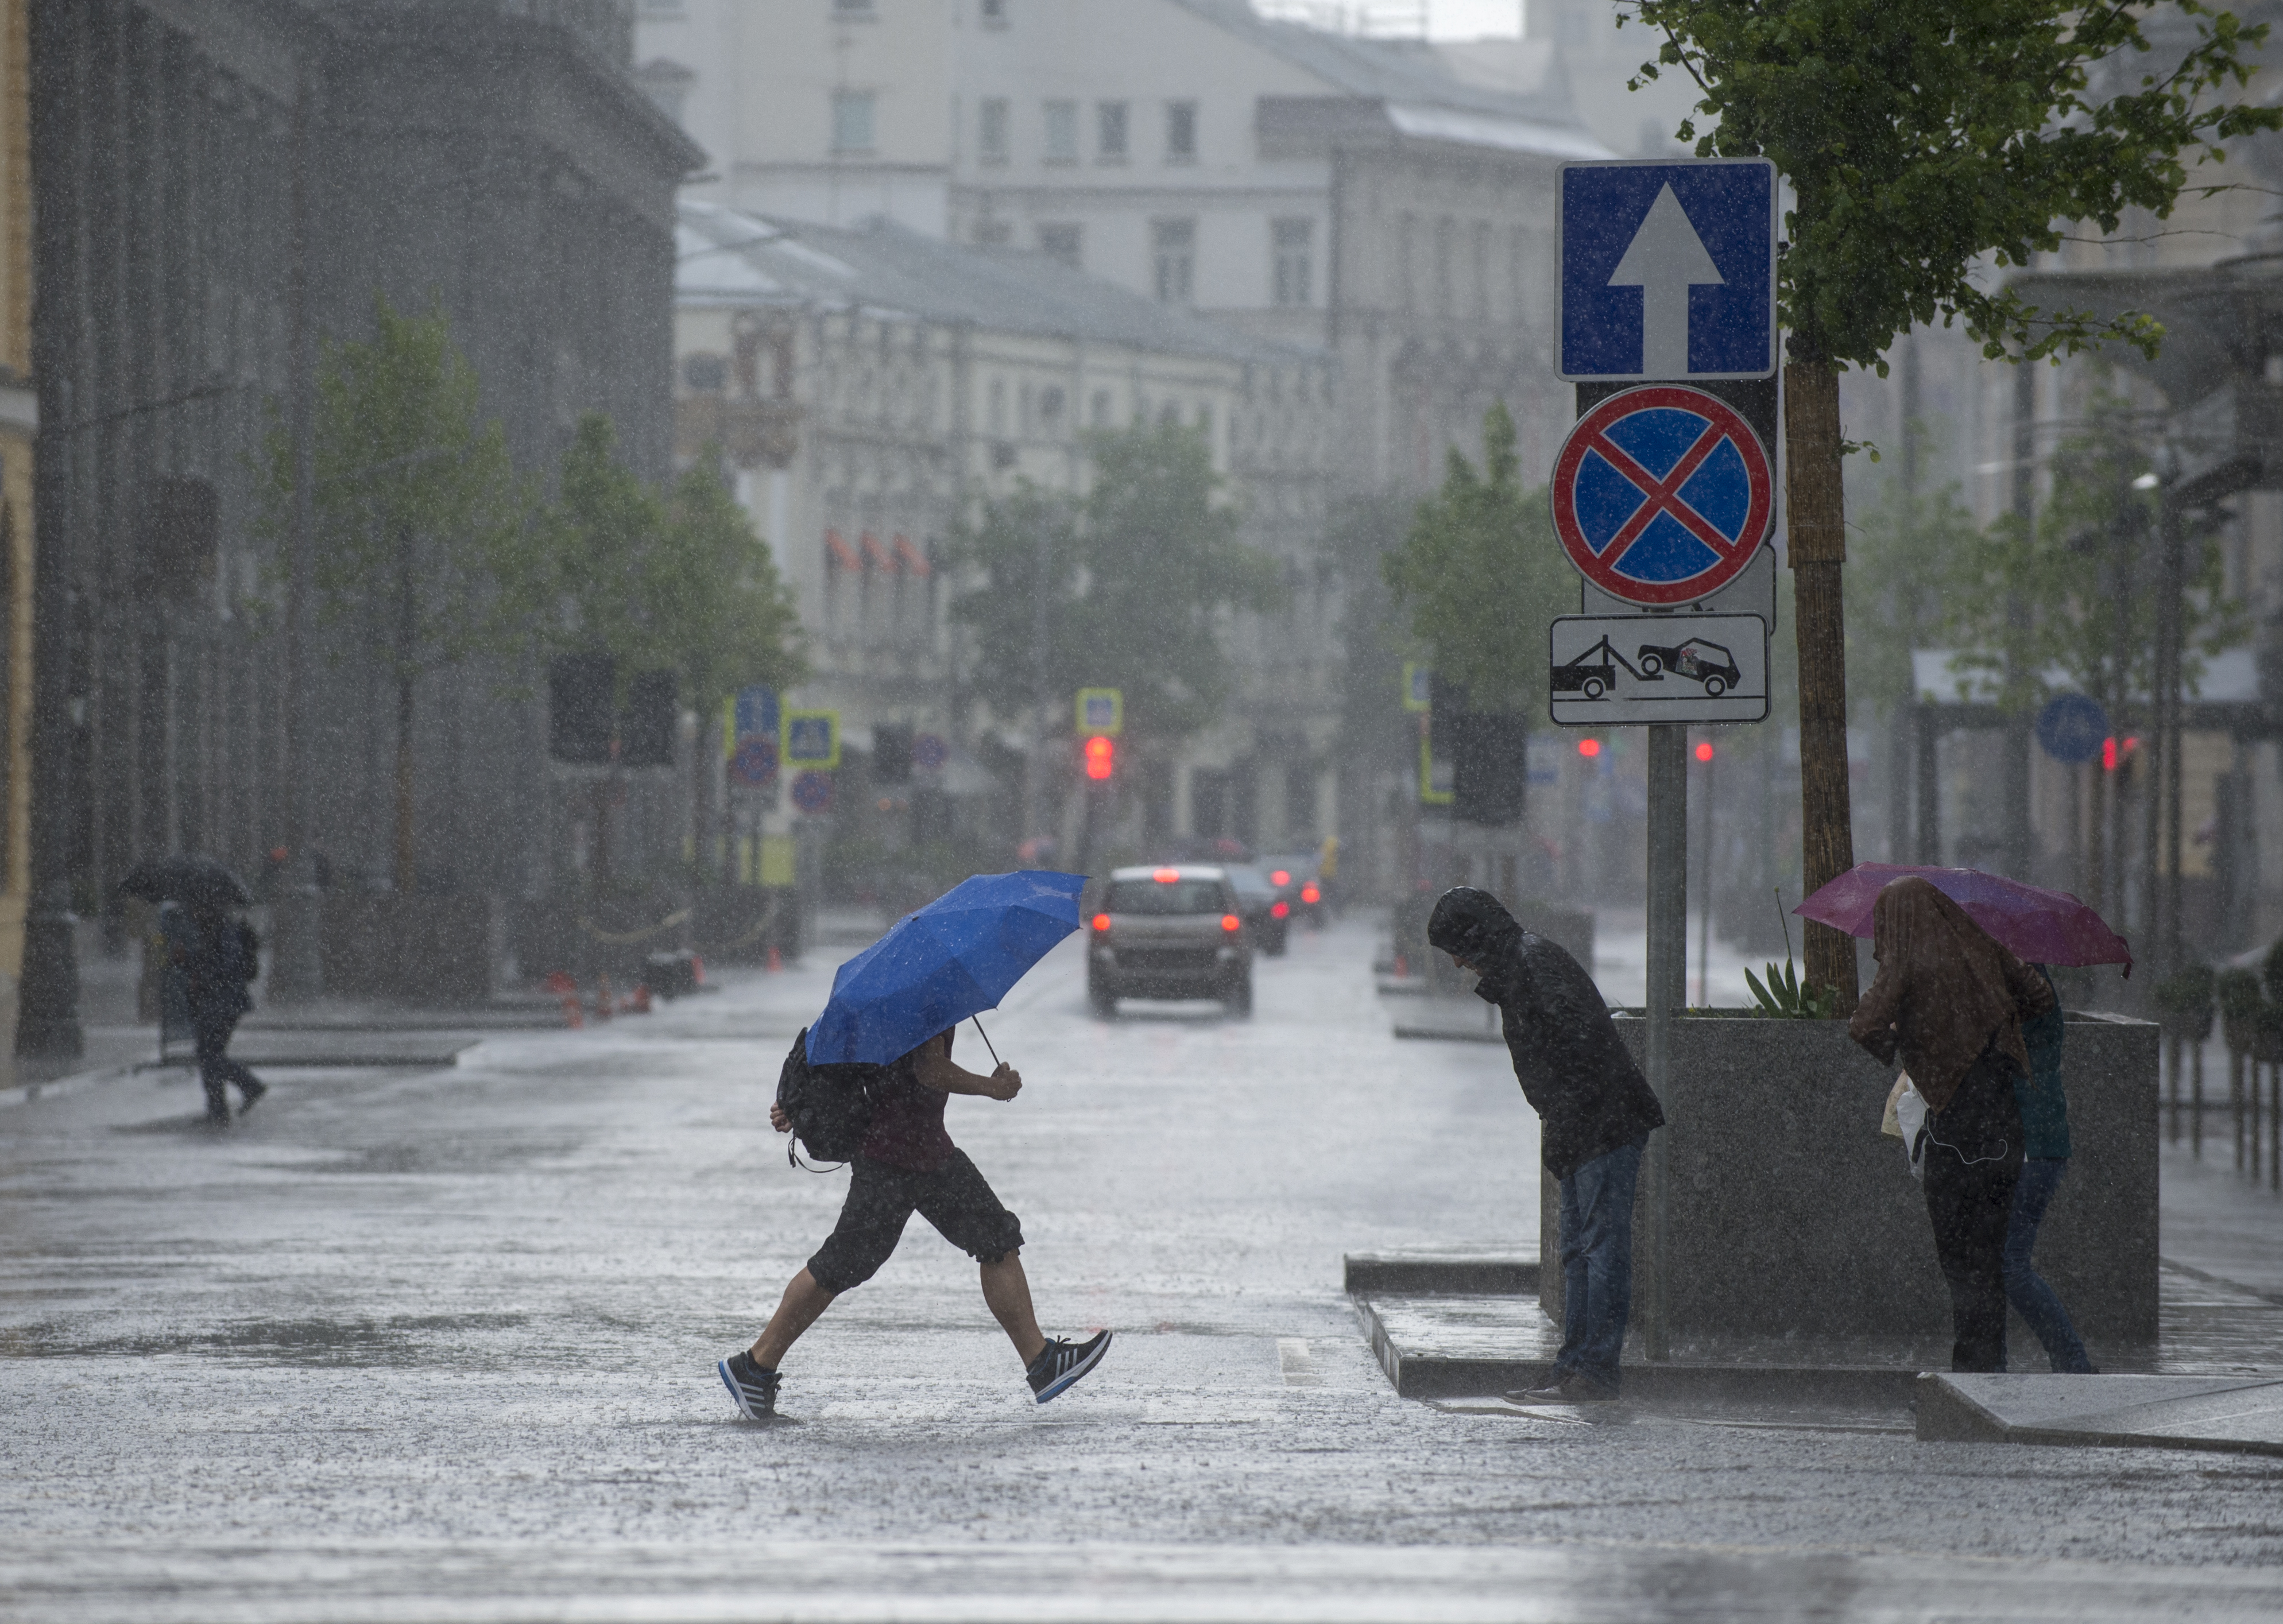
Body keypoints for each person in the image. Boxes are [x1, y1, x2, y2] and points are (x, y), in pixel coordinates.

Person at [717, 1026, 1110, 1419]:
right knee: (845, 1262)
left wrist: (798, 1102)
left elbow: (846, 1047)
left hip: (911, 1148)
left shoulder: (900, 991)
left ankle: (1041, 1361)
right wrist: (991, 1087)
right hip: (904, 1154)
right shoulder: (927, 993)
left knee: (989, 1237)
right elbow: (929, 1069)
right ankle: (754, 1365)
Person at [1426, 887, 1665, 1403]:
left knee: (1599, 1249)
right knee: (1580, 1250)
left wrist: (1567, 1122)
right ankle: (1573, 1366)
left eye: (1456, 948)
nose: (1457, 962)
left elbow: (1579, 1050)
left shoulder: (1532, 963)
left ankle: (1594, 1371)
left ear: (1474, 937)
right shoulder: (1521, 964)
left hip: (1601, 1125)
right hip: (1583, 1126)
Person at [1849, 877, 2054, 1373]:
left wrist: (1908, 1033)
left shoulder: (1907, 963)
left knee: (1960, 1262)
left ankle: (1971, 1373)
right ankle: (1990, 1369)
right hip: (2004, 1124)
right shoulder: (1982, 944)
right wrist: (1991, 1019)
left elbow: (1864, 1025)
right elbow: (2039, 996)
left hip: (1955, 1129)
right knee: (1987, 1258)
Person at [2005, 965, 2097, 1372]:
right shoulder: (2034, 983)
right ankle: (1984, 1369)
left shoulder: (2022, 989)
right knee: (2002, 1265)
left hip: (2031, 1145)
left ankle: (2072, 1360)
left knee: (2009, 1266)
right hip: (2038, 1142)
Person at [160, 898, 266, 1125]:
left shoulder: (224, 932)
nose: (194, 914)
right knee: (208, 1054)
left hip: (224, 1004)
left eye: (197, 909)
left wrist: (198, 971)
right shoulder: (210, 933)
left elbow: (225, 967)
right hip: (215, 1003)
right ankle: (218, 1109)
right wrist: (186, 961)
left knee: (210, 1056)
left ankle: (248, 1087)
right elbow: (209, 964)